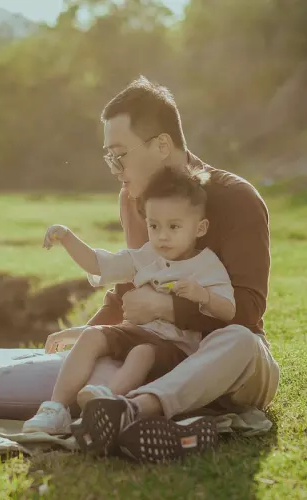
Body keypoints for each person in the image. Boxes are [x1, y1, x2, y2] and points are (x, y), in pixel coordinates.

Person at [43, 77, 280, 463]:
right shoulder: (134, 199)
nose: (115, 169)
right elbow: (130, 287)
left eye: (120, 155)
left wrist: (166, 308)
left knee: (239, 340)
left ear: (163, 145)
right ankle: (147, 418)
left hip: (231, 368)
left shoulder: (237, 199)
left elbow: (248, 312)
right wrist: (91, 334)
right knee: (85, 375)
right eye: (109, 157)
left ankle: (136, 411)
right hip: (161, 357)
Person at [23, 166, 235, 436]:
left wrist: (202, 295)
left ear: (200, 228)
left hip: (175, 349)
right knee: (91, 336)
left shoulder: (207, 266)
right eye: (154, 226)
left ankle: (106, 402)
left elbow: (228, 311)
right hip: (135, 331)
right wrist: (66, 236)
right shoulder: (146, 256)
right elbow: (99, 264)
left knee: (142, 353)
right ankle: (56, 408)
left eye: (174, 226)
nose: (162, 236)